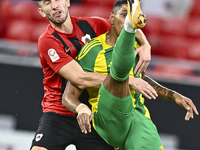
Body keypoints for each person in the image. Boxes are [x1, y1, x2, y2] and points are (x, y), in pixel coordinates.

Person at [62, 0, 199, 149]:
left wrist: (173, 95)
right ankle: (130, 28)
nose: (126, 18)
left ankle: (129, 31)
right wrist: (81, 108)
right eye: (124, 15)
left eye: (129, 16)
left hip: (137, 117)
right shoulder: (92, 50)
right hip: (109, 117)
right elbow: (68, 96)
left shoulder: (139, 48)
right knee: (118, 77)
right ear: (112, 18)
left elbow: (140, 80)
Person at [30, 0, 157, 150]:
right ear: (42, 12)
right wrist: (127, 81)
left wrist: (145, 44)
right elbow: (80, 78)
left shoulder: (92, 25)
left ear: (67, 2)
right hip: (60, 112)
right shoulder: (48, 40)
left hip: (95, 114)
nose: (54, 5)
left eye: (58, 0)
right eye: (47, 3)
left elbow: (125, 24)